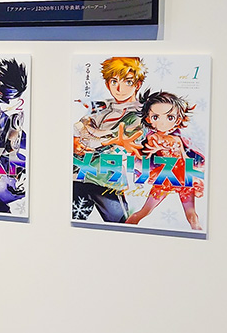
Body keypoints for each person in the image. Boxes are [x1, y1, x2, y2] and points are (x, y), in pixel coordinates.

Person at [73, 57, 147, 223]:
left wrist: (91, 134)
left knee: (122, 227)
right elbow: (78, 127)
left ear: (138, 84)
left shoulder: (139, 115)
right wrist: (77, 140)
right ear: (107, 84)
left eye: (127, 82)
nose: (119, 88)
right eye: (114, 81)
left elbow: (118, 140)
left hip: (107, 179)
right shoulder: (102, 107)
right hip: (80, 175)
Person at [125, 90, 204, 229]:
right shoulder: (153, 137)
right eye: (156, 117)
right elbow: (153, 144)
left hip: (183, 176)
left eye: (169, 117)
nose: (162, 122)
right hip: (165, 177)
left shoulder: (178, 138)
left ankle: (198, 232)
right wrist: (156, 148)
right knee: (144, 211)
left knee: (191, 215)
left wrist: (194, 173)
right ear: (148, 119)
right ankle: (124, 230)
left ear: (177, 119)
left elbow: (185, 157)